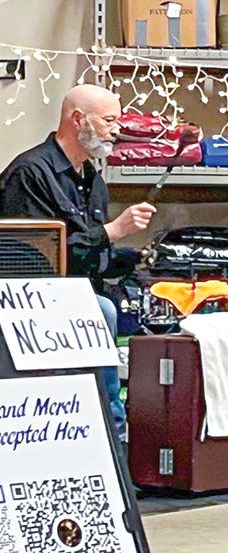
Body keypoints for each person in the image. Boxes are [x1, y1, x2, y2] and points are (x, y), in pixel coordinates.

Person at [0, 83, 157, 440]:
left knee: (117, 303)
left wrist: (133, 260)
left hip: (77, 289)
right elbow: (34, 259)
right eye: (109, 120)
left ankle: (114, 432)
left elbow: (88, 257)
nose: (117, 129)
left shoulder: (92, 180)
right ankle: (111, 431)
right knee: (101, 311)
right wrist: (112, 231)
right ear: (77, 119)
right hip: (32, 299)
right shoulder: (30, 174)